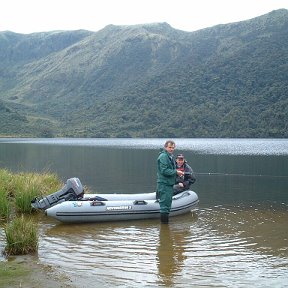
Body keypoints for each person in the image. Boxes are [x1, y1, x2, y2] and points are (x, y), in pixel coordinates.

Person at [157, 140, 184, 224]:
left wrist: (177, 173)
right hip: (164, 184)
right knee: (164, 207)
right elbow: (164, 171)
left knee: (167, 206)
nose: (171, 149)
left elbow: (171, 170)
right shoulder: (163, 156)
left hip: (169, 184)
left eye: (173, 147)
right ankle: (164, 227)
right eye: (169, 147)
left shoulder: (170, 156)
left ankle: (165, 228)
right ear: (165, 147)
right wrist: (176, 172)